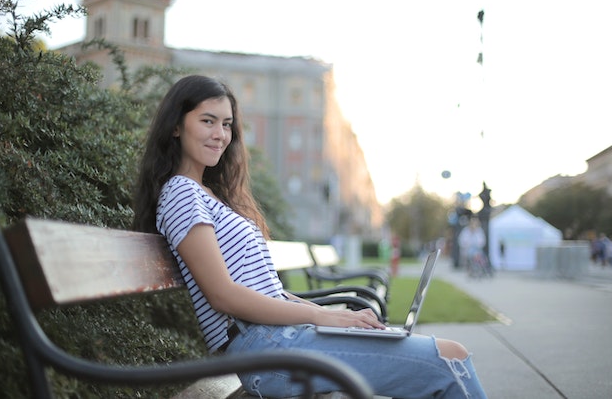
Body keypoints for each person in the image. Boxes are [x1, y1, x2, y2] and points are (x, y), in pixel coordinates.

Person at [132, 75, 487, 398]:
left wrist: (328, 314)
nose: (220, 134)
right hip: (267, 351)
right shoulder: (180, 193)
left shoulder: (206, 194)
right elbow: (223, 295)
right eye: (207, 121)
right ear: (177, 126)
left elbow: (264, 288)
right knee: (448, 359)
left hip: (277, 341)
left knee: (438, 356)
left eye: (226, 124)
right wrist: (324, 317)